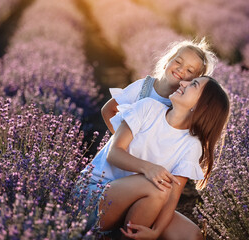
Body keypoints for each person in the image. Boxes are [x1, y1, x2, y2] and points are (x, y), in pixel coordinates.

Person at [78, 76, 230, 239]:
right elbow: (114, 154)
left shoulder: (192, 145)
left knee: (192, 236)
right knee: (158, 188)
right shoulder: (148, 108)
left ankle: (124, 233)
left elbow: (173, 197)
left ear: (202, 106)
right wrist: (148, 168)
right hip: (93, 194)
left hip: (138, 201)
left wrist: (156, 231)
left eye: (193, 85)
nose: (183, 83)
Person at [101, 39, 217, 134]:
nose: (180, 69)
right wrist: (123, 144)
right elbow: (108, 110)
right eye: (178, 61)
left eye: (189, 70)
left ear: (193, 81)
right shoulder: (143, 87)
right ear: (167, 61)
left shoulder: (183, 105)